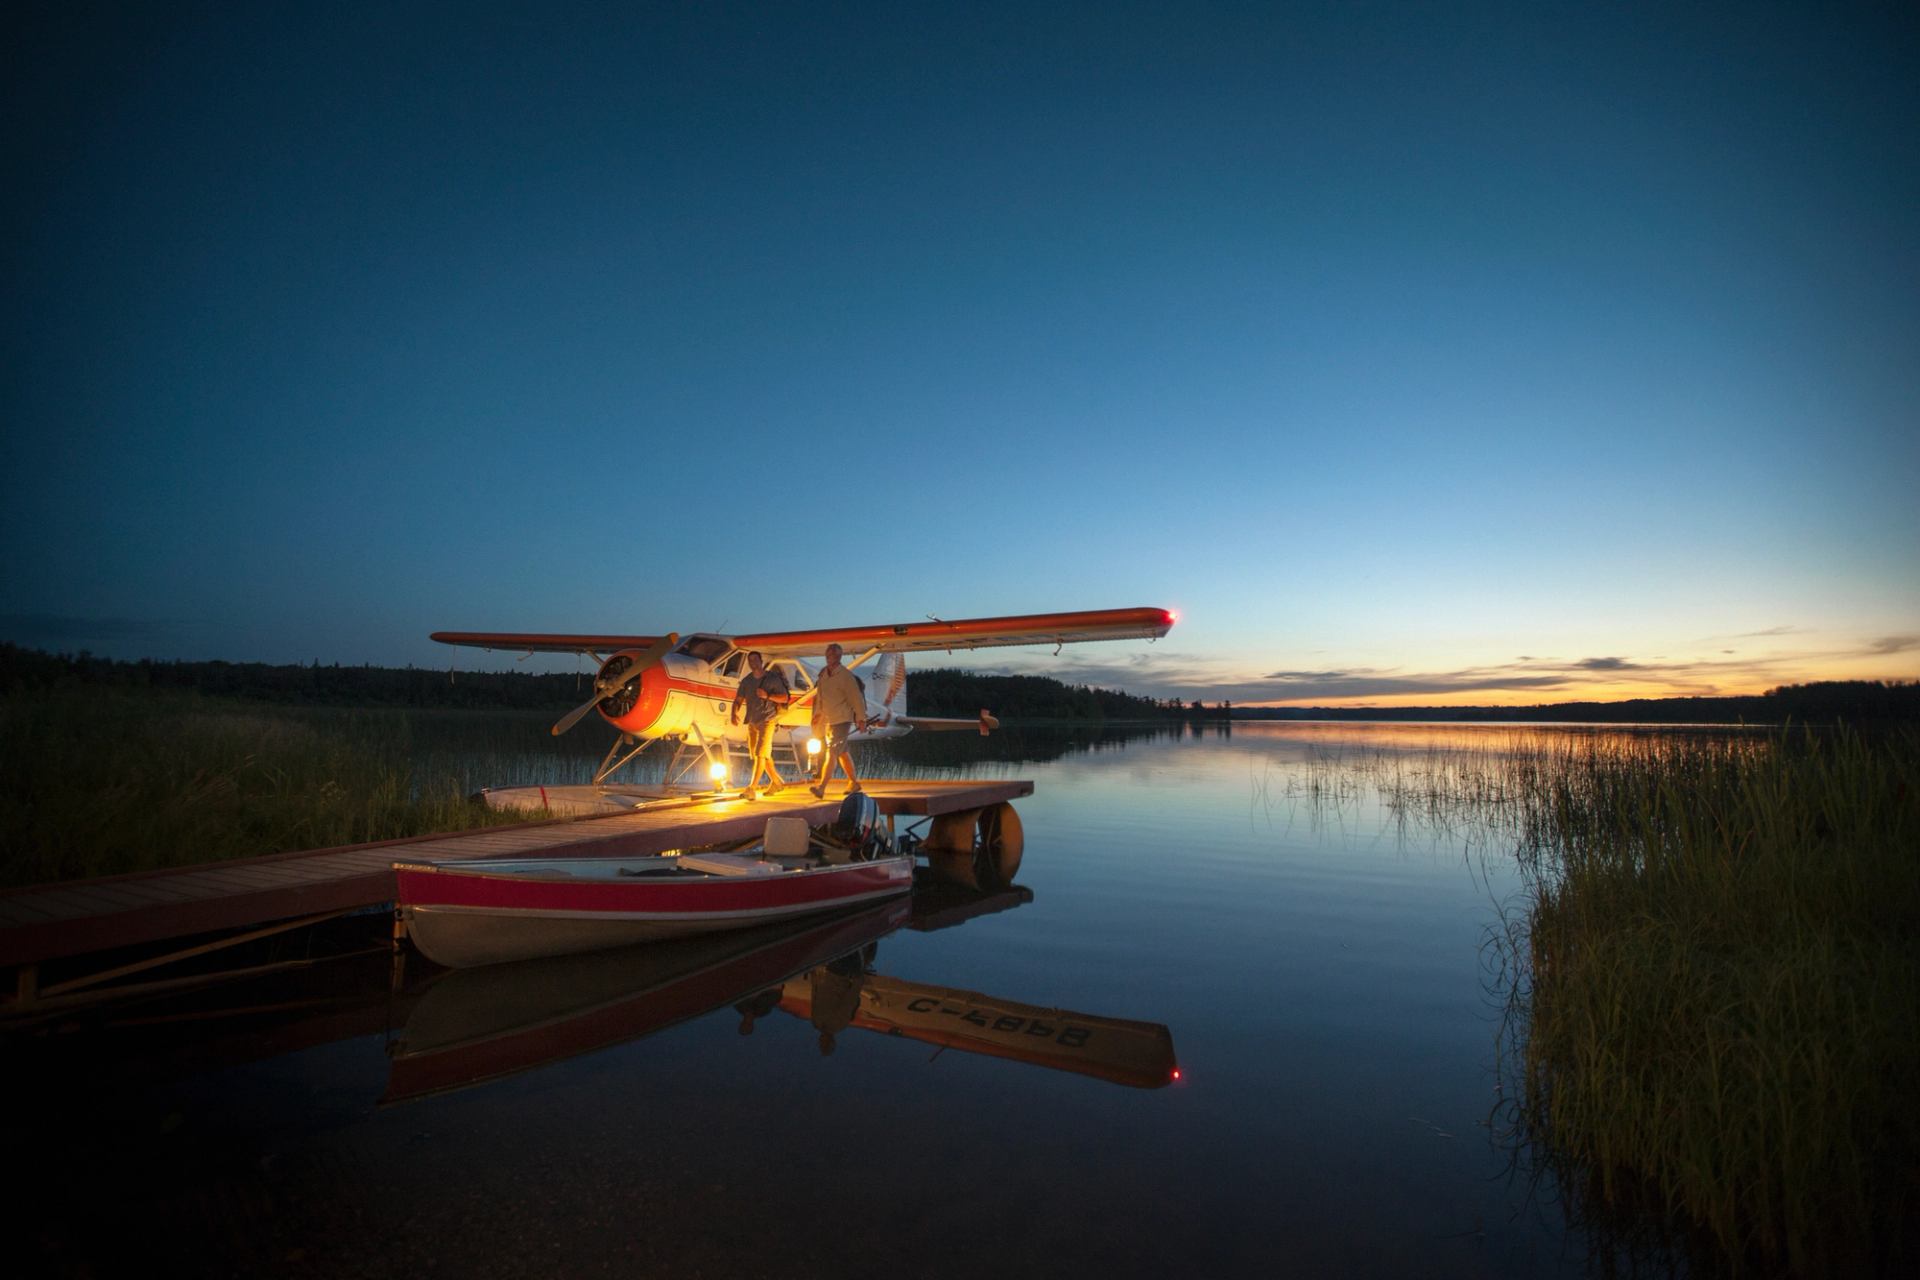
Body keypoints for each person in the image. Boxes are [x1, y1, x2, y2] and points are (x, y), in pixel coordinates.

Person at [808, 642, 869, 797]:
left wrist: (861, 718)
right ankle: (854, 783)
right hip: (828, 720)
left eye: (834, 655)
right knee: (842, 752)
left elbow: (856, 698)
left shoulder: (846, 676)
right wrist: (817, 715)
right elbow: (821, 697)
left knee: (832, 752)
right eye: (828, 655)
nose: (830, 658)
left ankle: (821, 788)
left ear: (840, 657)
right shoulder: (823, 675)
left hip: (842, 719)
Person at [729, 651, 790, 800]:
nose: (753, 663)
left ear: (761, 661)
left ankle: (751, 788)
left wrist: (767, 696)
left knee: (760, 754)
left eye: (756, 659)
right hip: (752, 721)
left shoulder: (772, 678)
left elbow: (785, 698)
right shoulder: (746, 681)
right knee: (764, 755)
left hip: (768, 720)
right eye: (750, 661)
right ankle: (776, 782)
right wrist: (734, 713)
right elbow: (738, 700)